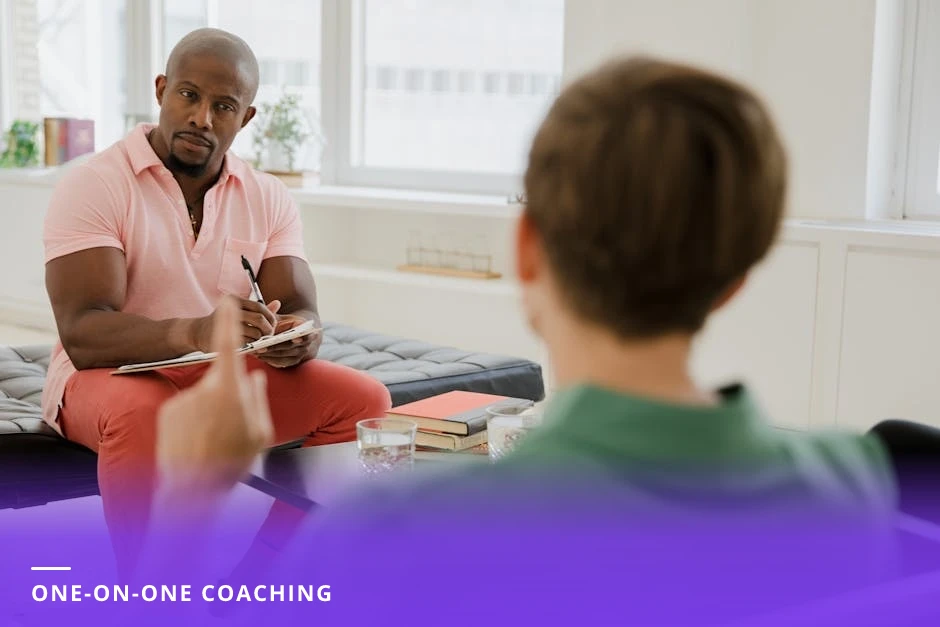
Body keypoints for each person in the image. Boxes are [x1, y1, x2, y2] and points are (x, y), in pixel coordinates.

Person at [147, 57, 902, 623]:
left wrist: (187, 505)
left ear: (528, 249)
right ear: (736, 277)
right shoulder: (852, 486)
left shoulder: (398, 529)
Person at [41, 28, 391, 576]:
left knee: (365, 401)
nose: (202, 118)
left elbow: (301, 307)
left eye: (223, 106)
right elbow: (84, 335)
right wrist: (199, 332)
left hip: (216, 371)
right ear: (161, 89)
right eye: (188, 95)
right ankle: (148, 594)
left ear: (245, 119)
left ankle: (257, 573)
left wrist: (295, 338)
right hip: (105, 377)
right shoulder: (95, 184)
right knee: (145, 409)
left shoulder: (268, 196)